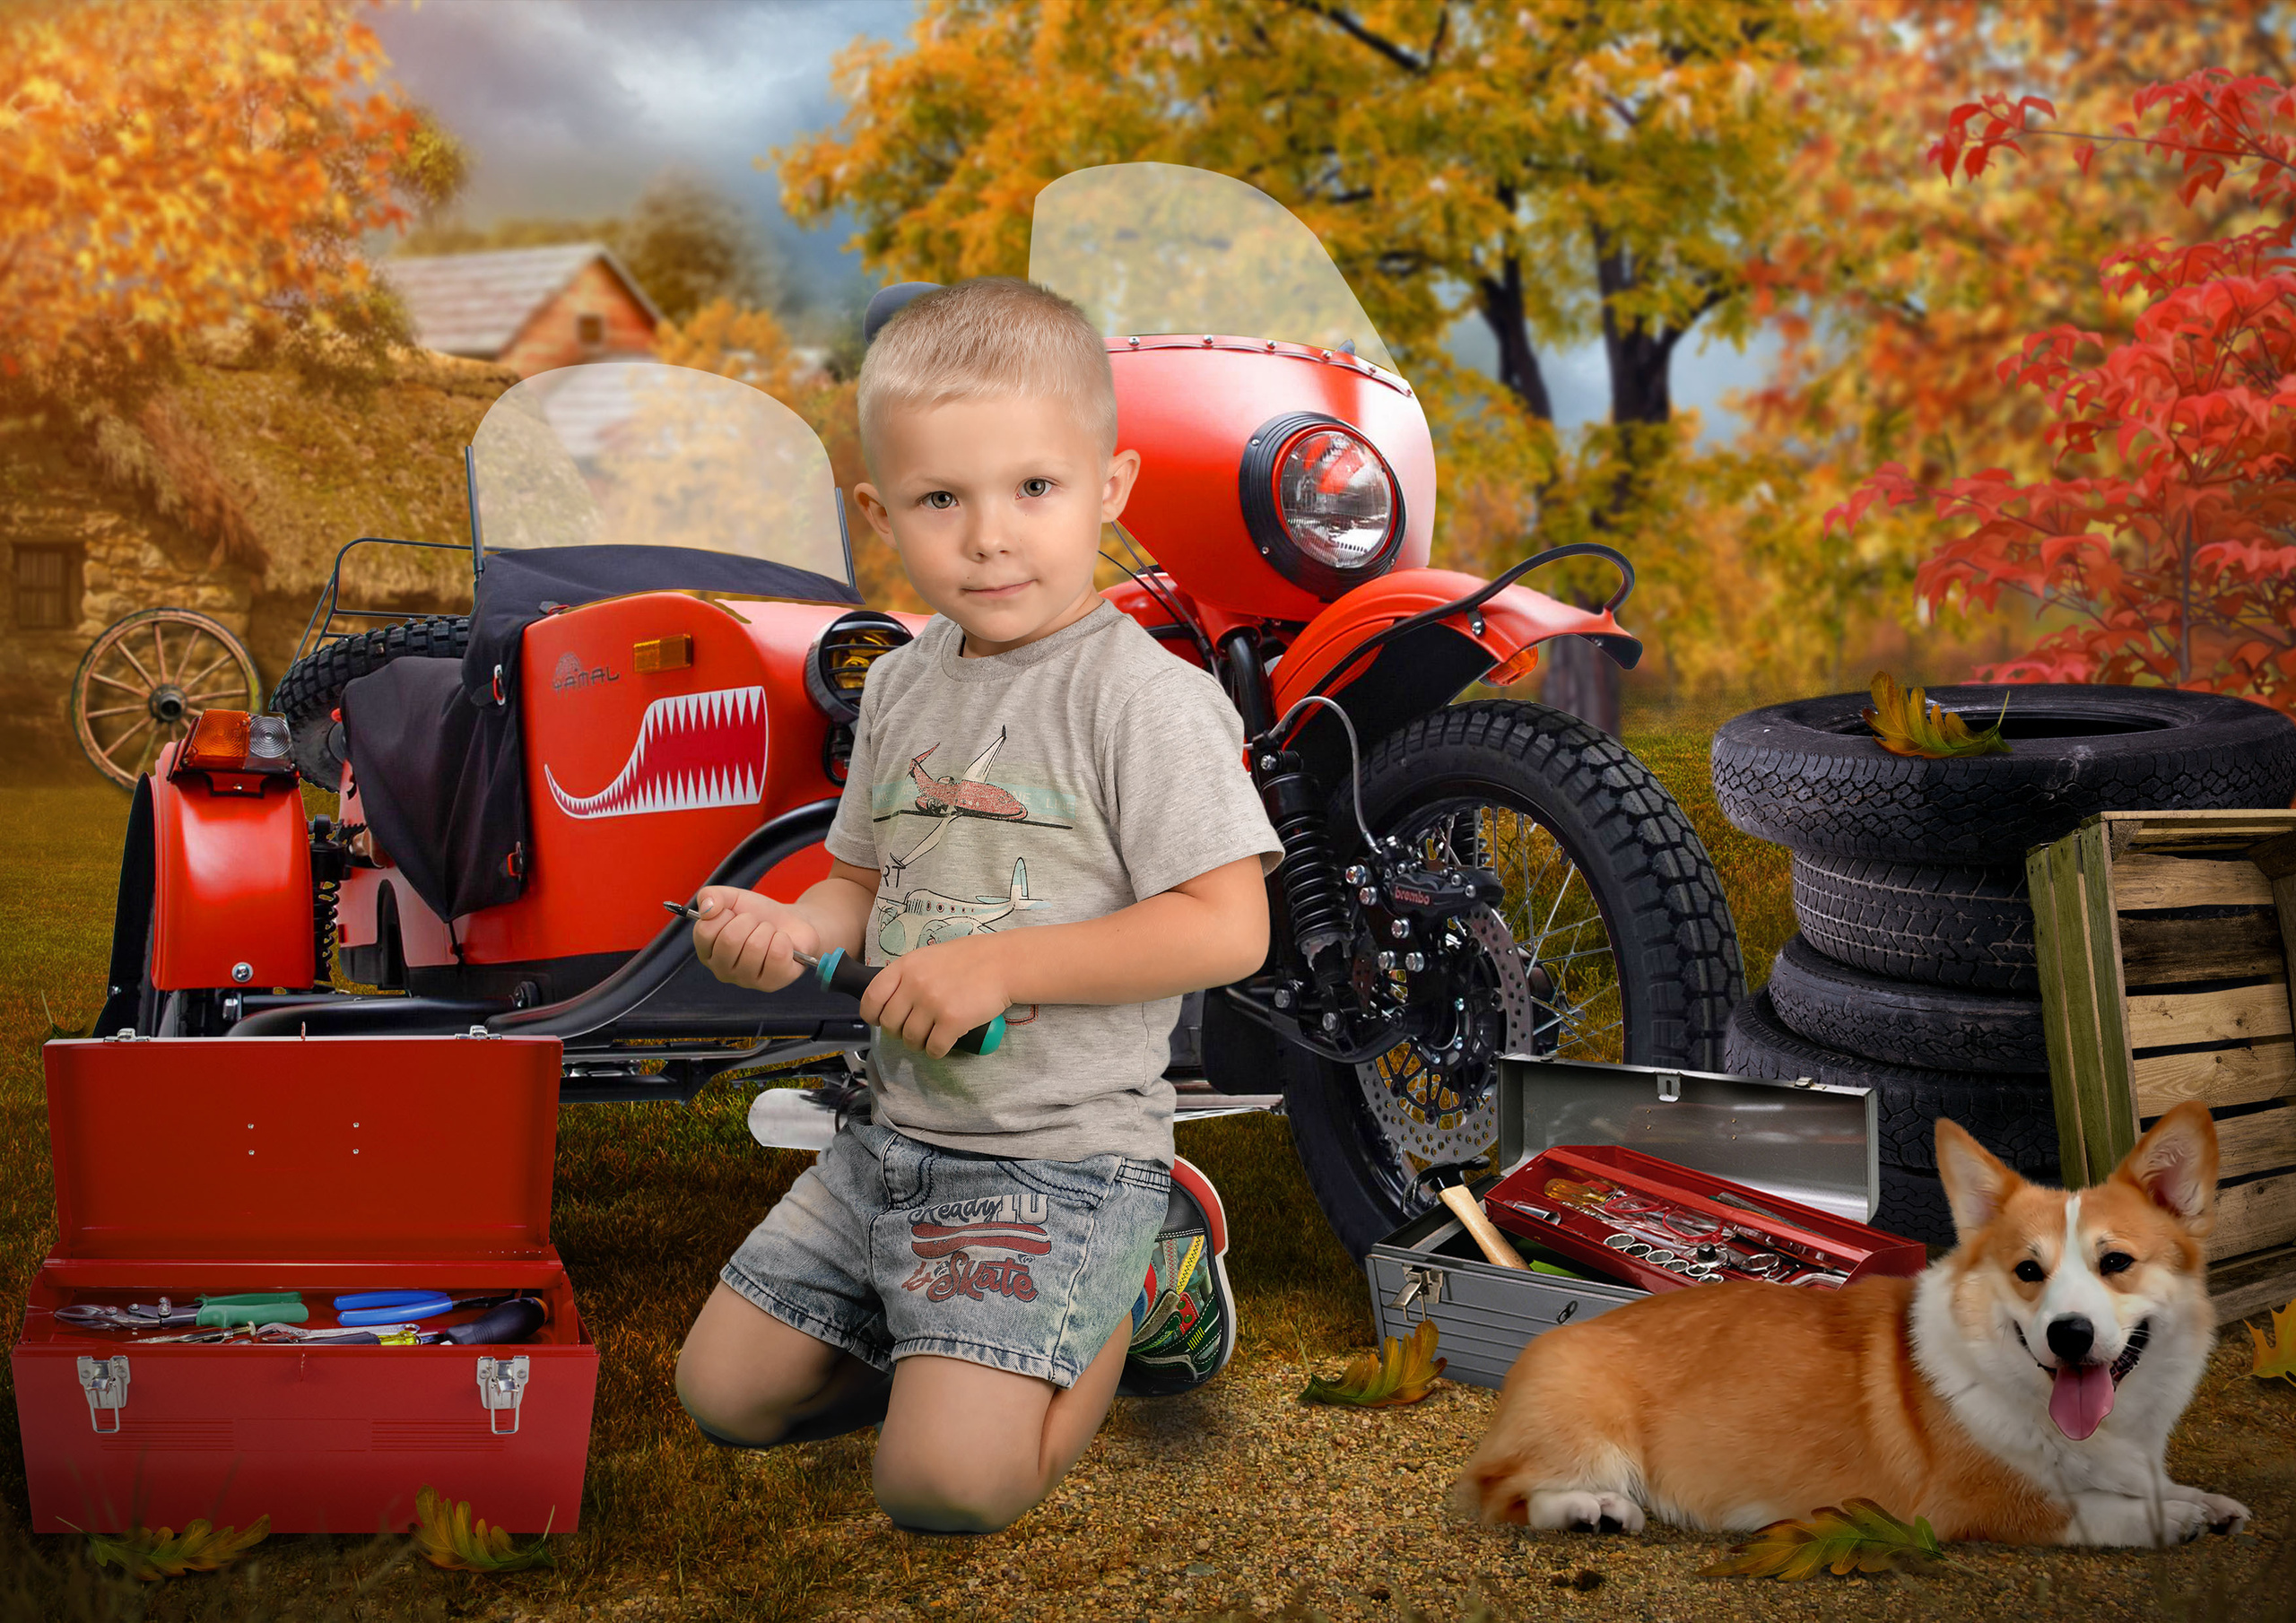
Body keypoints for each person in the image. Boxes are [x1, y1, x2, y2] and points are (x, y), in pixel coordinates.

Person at [673, 276, 1283, 1535]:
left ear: (1109, 487)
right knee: (723, 1394)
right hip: (888, 1139)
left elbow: (1230, 926)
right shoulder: (900, 683)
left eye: (1034, 490)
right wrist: (790, 934)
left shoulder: (1141, 701)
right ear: (878, 510)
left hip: (1061, 1161)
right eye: (942, 499)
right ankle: (964, 1357)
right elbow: (855, 882)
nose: (991, 536)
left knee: (942, 1487)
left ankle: (1140, 1276)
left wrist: (1005, 966)